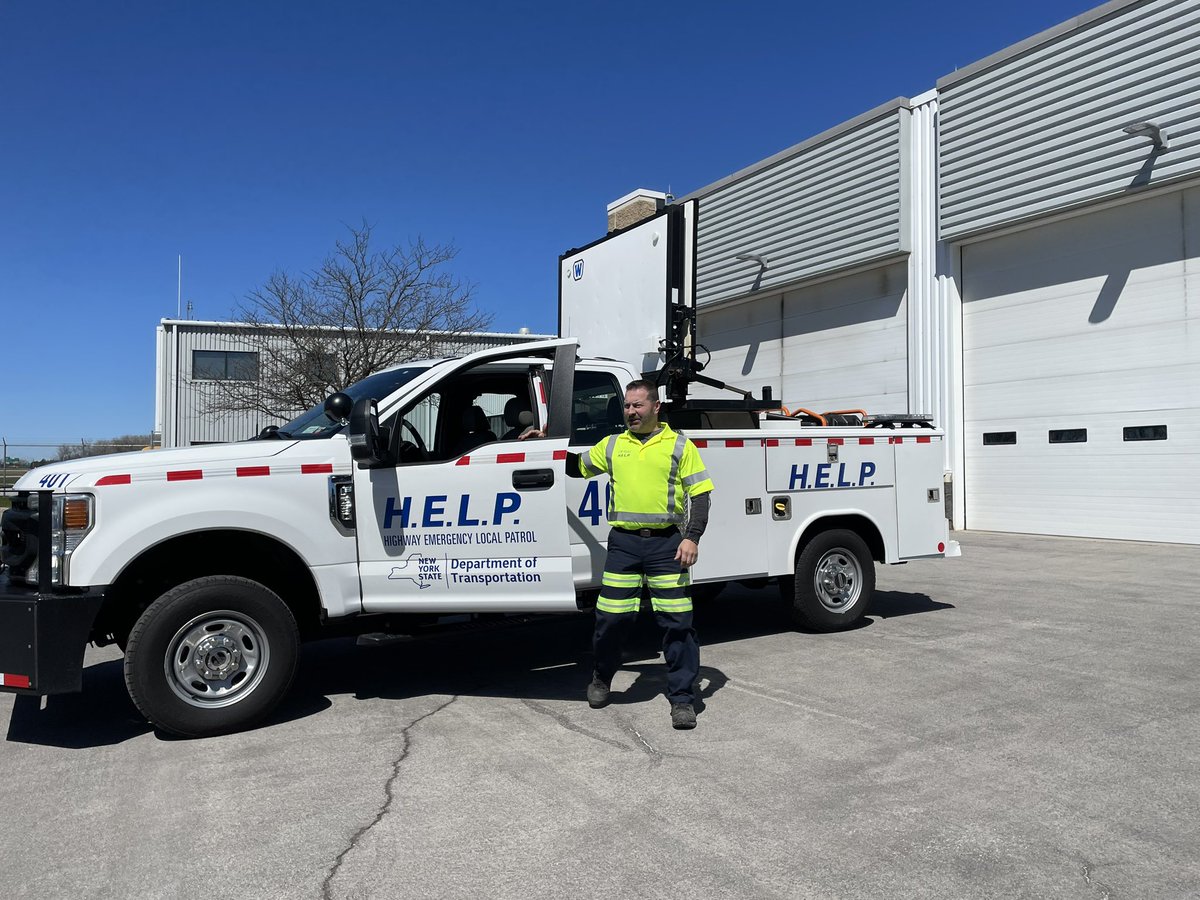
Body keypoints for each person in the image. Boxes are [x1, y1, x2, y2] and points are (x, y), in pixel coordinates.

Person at [524, 380, 713, 729]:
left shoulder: (680, 445)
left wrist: (692, 537)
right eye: (627, 406)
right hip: (623, 544)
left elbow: (700, 495)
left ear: (656, 407)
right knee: (611, 619)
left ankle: (683, 698)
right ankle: (601, 678)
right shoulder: (612, 445)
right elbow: (574, 467)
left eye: (638, 406)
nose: (631, 412)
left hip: (666, 546)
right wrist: (544, 447)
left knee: (678, 624)